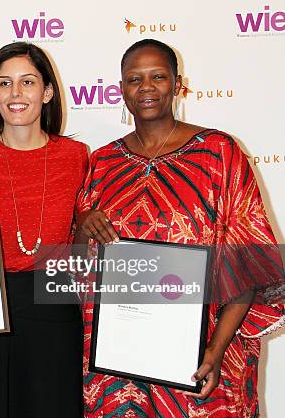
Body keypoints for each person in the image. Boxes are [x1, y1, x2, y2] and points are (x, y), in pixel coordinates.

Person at [77, 38, 284, 418]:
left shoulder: (220, 152)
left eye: (158, 76)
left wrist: (215, 351)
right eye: (134, 79)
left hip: (201, 353)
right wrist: (84, 228)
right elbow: (80, 265)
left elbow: (250, 262)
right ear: (120, 88)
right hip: (120, 362)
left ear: (177, 83)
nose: (147, 87)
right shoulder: (102, 162)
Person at [0, 42, 89, 418]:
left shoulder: (76, 157)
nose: (16, 93)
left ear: (47, 92)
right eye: (5, 83)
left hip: (55, 302)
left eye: (27, 82)